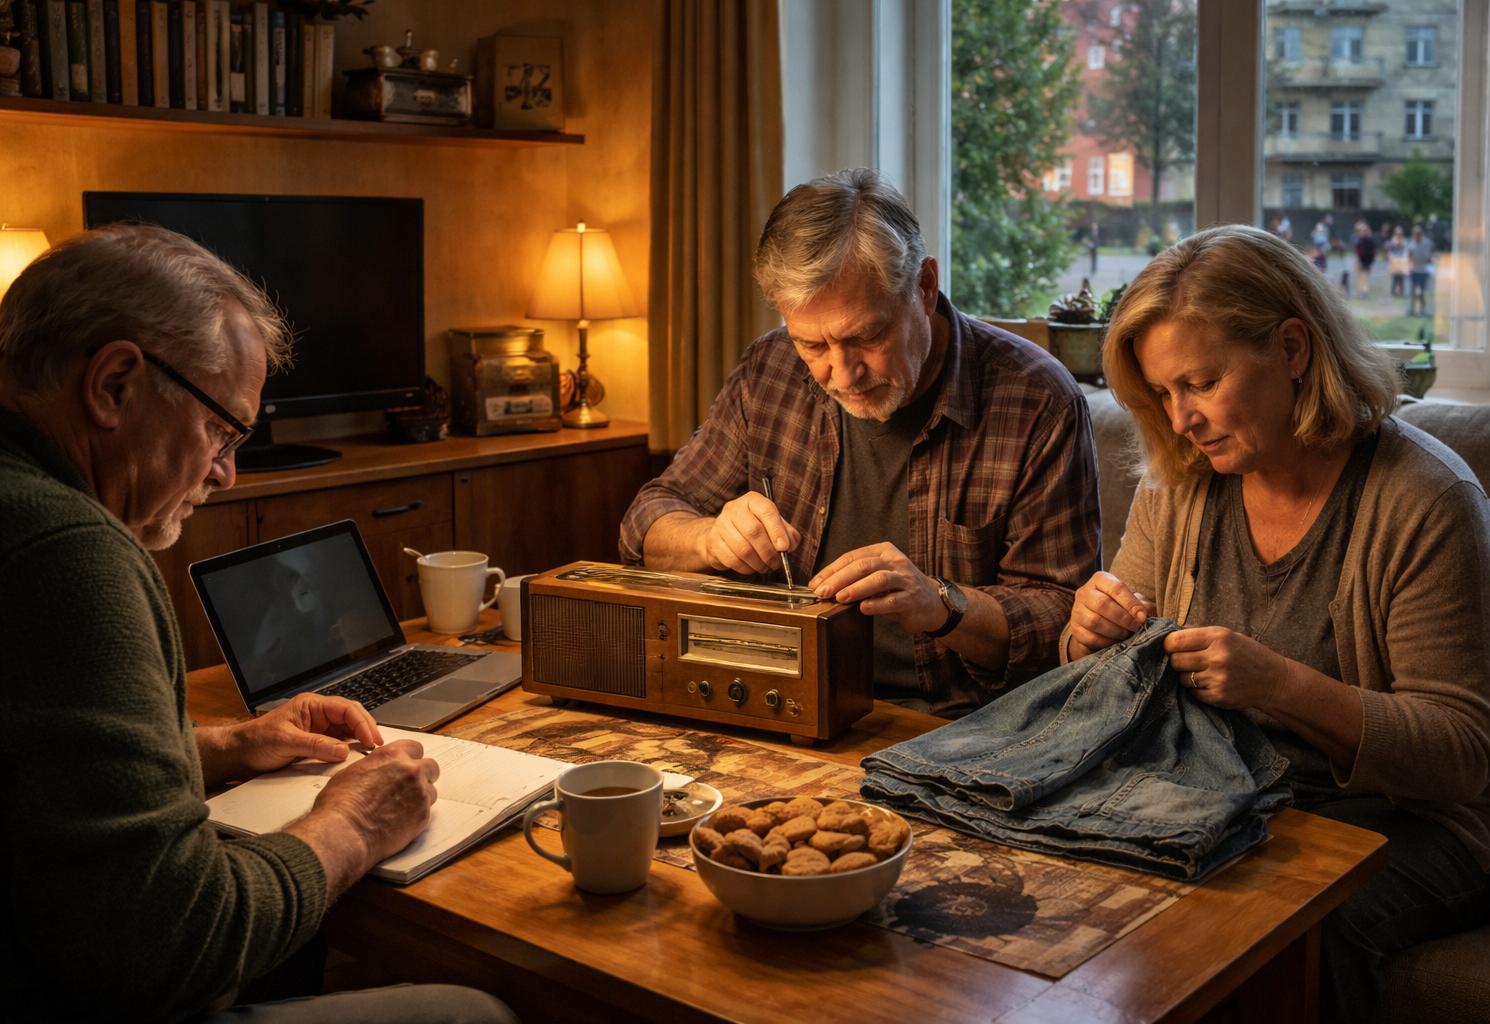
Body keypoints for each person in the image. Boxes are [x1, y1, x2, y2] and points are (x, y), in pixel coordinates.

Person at [0, 224, 515, 1024]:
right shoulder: (67, 551)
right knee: (474, 1014)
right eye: (219, 429)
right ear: (113, 385)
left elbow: (37, 778)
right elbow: (174, 945)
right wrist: (350, 823)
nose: (225, 472)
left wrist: (221, 748)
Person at [1063, 224, 1490, 1024]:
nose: (1181, 420)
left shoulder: (1426, 499)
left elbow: (1460, 753)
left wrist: (1280, 686)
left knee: (1290, 931)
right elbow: (1103, 679)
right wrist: (1088, 634)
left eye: (1201, 383)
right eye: (1164, 393)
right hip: (1231, 792)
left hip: (1428, 819)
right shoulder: (1180, 484)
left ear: (1292, 347)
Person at [619, 168, 1101, 718]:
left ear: (924, 286)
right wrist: (709, 539)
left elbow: (1065, 623)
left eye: (866, 336)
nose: (842, 375)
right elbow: (646, 523)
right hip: (782, 698)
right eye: (813, 344)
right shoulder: (770, 368)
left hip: (953, 724)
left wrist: (941, 603)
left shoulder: (1037, 398)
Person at [1407, 224, 1435, 316]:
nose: (1417, 235)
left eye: (1418, 233)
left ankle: (1423, 309)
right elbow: (1409, 256)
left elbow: (1429, 257)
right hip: (1414, 270)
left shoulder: (1427, 243)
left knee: (1421, 292)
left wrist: (1431, 268)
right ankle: (1412, 309)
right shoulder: (1411, 243)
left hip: (1423, 270)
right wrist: (1409, 266)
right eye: (1415, 233)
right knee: (1413, 291)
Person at [1351, 220, 1376, 298]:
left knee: (1364, 276)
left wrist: (1371, 261)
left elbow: (1372, 251)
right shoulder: (1359, 239)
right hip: (1361, 260)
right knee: (1361, 276)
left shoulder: (1367, 240)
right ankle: (1361, 291)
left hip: (1365, 261)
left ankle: (1363, 291)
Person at [1385, 226, 1409, 297]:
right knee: (1395, 277)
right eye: (1397, 233)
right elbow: (1389, 250)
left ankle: (1401, 291)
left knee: (1401, 277)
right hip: (1394, 260)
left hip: (1402, 260)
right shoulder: (1392, 240)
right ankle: (1393, 291)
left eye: (1400, 233)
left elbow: (1406, 250)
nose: (1399, 235)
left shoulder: (1404, 241)